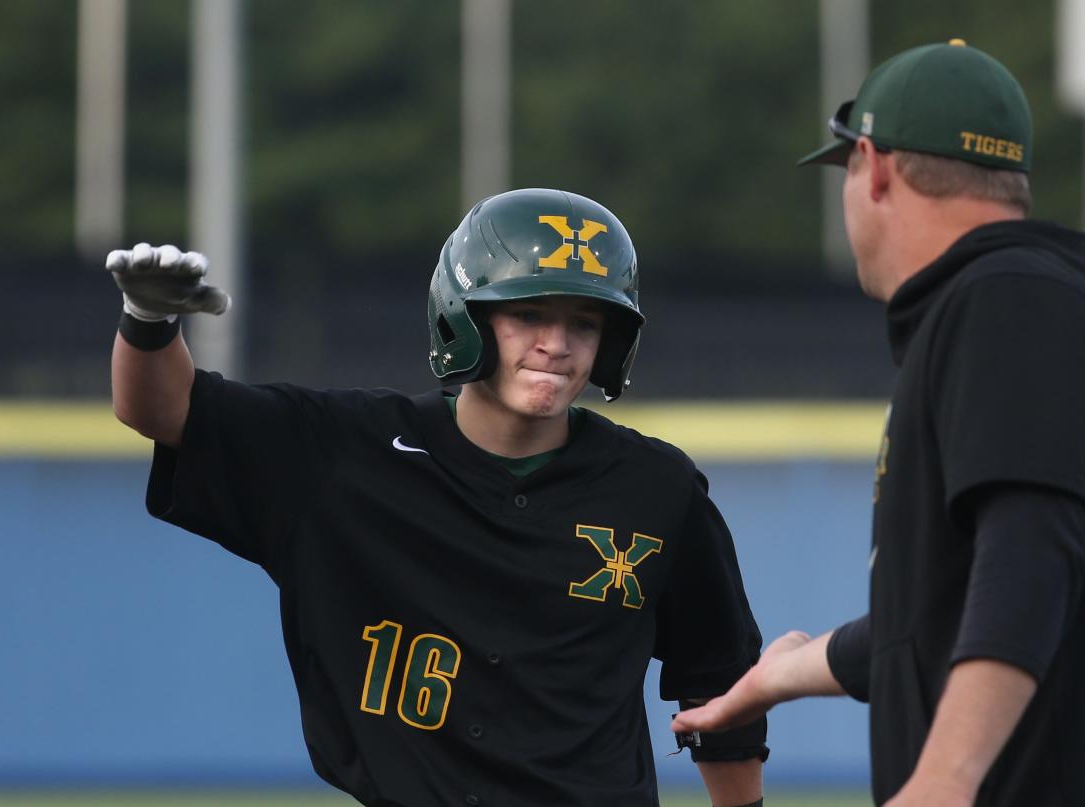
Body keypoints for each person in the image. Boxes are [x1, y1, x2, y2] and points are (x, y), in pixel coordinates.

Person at [673, 40, 1085, 806]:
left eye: (848, 172)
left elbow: (1030, 552)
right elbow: (951, 611)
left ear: (877, 165)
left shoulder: (1007, 297)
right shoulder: (1014, 301)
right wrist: (794, 667)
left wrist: (945, 777)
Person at [107, 188, 768, 807]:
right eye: (528, 311)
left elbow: (722, 677)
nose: (557, 344)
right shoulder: (340, 455)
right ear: (465, 314)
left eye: (585, 322)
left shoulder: (656, 487)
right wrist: (150, 320)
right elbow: (163, 411)